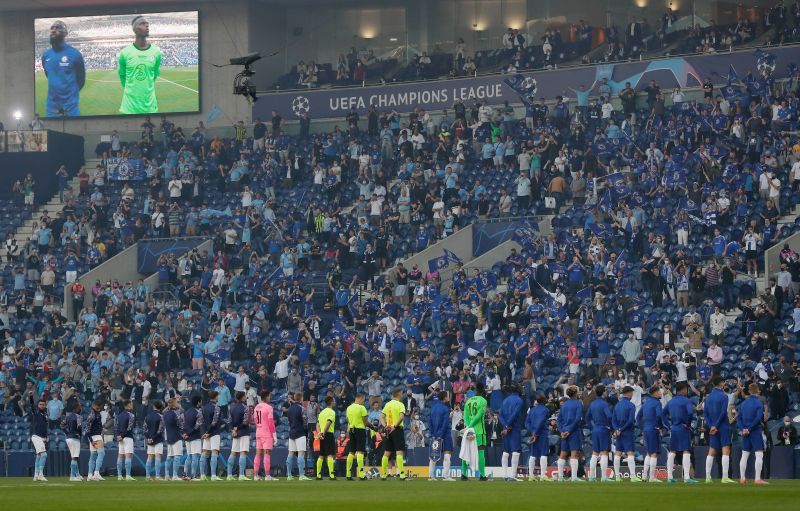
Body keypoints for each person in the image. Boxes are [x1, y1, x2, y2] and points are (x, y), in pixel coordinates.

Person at [118, 16, 163, 114]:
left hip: (150, 108)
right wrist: (131, 90)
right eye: (142, 23)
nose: (147, 25)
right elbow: (122, 75)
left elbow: (154, 74)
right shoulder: (125, 53)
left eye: (147, 23)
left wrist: (146, 87)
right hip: (128, 109)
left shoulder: (157, 52)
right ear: (134, 29)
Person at [42, 20, 85, 117]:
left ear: (65, 33)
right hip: (51, 109)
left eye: (57, 28)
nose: (53, 30)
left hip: (70, 109)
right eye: (52, 28)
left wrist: (70, 95)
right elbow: (48, 75)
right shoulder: (46, 55)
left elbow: (81, 81)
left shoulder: (75, 54)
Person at [662, 382, 698, 483]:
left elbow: (663, 414)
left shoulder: (671, 401)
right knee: (686, 450)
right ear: (683, 390)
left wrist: (668, 425)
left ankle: (669, 477)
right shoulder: (686, 400)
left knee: (672, 451)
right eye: (686, 389)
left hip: (673, 428)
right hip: (683, 428)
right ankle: (686, 477)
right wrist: (688, 423)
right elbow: (690, 413)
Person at [703, 376, 735, 483]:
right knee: (726, 450)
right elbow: (722, 413)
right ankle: (725, 477)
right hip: (722, 426)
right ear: (721, 383)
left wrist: (712, 426)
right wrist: (716, 426)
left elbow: (705, 415)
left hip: (712, 427)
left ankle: (708, 477)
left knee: (711, 451)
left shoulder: (708, 398)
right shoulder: (724, 396)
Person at [737, 383, 768, 485]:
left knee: (745, 454)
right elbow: (758, 418)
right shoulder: (759, 404)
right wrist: (749, 429)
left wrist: (743, 429)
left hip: (745, 432)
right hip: (754, 431)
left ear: (749, 391)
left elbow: (739, 418)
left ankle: (742, 478)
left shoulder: (743, 404)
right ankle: (757, 479)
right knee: (759, 453)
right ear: (757, 390)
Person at [612, 386, 640, 481]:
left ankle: (617, 477)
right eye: (632, 392)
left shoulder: (617, 405)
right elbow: (630, 420)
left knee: (618, 453)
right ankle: (632, 476)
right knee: (630, 453)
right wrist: (622, 429)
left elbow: (613, 420)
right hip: (627, 432)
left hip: (619, 432)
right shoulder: (631, 405)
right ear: (628, 393)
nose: (632, 395)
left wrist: (617, 429)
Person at [585, 384, 612, 482]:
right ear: (603, 392)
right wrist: (610, 427)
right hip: (603, 429)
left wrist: (592, 427)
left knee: (595, 453)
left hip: (595, 429)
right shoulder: (604, 404)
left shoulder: (592, 404)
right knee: (604, 452)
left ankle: (592, 477)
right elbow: (609, 416)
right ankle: (604, 477)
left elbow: (587, 417)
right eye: (605, 391)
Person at [461, 382, 488, 480]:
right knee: (480, 451)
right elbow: (480, 414)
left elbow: (465, 417)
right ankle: (482, 475)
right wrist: (472, 425)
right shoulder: (483, 401)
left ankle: (464, 474)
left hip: (469, 430)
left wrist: (468, 427)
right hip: (479, 431)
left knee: (466, 451)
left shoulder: (468, 401)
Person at [557, 385, 584, 482]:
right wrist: (569, 431)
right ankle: (574, 477)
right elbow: (577, 420)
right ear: (576, 393)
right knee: (574, 453)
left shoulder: (564, 404)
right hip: (573, 432)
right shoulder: (578, 404)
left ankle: (560, 477)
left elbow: (558, 420)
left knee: (563, 454)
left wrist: (562, 431)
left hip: (564, 432)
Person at [636, 385, 663, 483]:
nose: (660, 393)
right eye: (659, 391)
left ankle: (644, 476)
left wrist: (642, 428)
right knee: (654, 453)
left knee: (648, 453)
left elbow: (638, 417)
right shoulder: (657, 403)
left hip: (646, 429)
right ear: (654, 393)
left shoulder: (646, 403)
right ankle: (652, 477)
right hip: (653, 429)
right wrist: (659, 426)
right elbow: (659, 415)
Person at [381, 387, 408, 480]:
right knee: (399, 451)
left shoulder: (387, 404)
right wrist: (395, 426)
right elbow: (401, 417)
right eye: (402, 393)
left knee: (387, 452)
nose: (402, 395)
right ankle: (401, 474)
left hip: (388, 429)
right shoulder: (400, 404)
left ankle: (384, 474)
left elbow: (381, 417)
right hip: (397, 429)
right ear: (399, 394)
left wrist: (385, 426)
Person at [427, 391, 455, 481]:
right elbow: (445, 423)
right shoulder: (445, 408)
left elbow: (429, 421)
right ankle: (446, 476)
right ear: (444, 398)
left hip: (434, 435)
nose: (448, 398)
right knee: (447, 453)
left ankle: (431, 476)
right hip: (445, 434)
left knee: (434, 454)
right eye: (447, 396)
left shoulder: (433, 408)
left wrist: (432, 434)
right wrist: (440, 434)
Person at [499, 384, 523, 481]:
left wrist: (505, 426)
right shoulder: (519, 400)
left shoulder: (505, 400)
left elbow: (500, 415)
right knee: (515, 451)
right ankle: (513, 476)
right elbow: (515, 414)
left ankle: (504, 475)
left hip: (506, 428)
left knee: (506, 451)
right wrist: (508, 426)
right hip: (514, 427)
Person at [525, 394, 552, 482]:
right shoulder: (545, 410)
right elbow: (540, 422)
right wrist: (536, 433)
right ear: (544, 400)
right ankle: (543, 475)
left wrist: (532, 431)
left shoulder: (532, 410)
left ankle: (531, 476)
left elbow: (527, 423)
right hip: (542, 434)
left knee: (533, 455)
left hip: (534, 434)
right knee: (543, 454)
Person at [285, 392, 310, 480]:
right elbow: (305, 422)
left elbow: (289, 421)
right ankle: (301, 475)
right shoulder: (303, 409)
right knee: (301, 453)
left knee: (290, 453)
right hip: (300, 432)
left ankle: (289, 475)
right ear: (301, 398)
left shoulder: (290, 409)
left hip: (291, 432)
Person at [345, 393, 370, 480]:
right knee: (360, 451)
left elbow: (348, 420)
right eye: (363, 400)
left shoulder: (349, 408)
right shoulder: (361, 408)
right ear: (360, 398)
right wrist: (373, 427)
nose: (363, 402)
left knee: (351, 452)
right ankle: (362, 474)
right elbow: (365, 422)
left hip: (351, 429)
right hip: (360, 430)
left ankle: (348, 474)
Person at [253, 389, 277, 480]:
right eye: (269, 396)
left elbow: (255, 421)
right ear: (266, 397)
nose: (270, 398)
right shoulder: (269, 407)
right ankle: (267, 475)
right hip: (266, 433)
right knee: (267, 454)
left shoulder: (256, 407)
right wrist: (274, 435)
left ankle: (255, 475)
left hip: (258, 432)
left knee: (258, 454)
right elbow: (271, 423)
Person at [228, 391, 252, 480]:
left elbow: (229, 421)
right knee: (243, 452)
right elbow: (245, 422)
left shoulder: (232, 407)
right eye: (245, 395)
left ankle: (229, 475)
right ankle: (241, 475)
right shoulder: (246, 408)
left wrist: (233, 429)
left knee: (233, 452)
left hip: (235, 433)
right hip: (243, 432)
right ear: (242, 397)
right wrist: (237, 428)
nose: (246, 397)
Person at [200, 390, 223, 480]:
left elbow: (201, 422)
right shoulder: (217, 408)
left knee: (204, 452)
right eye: (218, 396)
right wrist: (209, 432)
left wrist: (204, 433)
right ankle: (213, 475)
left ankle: (202, 475)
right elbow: (215, 422)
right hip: (214, 433)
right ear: (216, 396)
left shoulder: (203, 408)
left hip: (206, 433)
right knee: (214, 452)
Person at [182, 395, 204, 481]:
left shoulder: (186, 412)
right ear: (198, 402)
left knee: (189, 456)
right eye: (201, 401)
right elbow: (197, 426)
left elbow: (182, 424)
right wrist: (188, 433)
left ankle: (185, 474)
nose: (201, 403)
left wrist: (184, 433)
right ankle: (193, 476)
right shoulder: (199, 413)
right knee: (195, 456)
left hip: (187, 438)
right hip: (195, 437)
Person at [84, 400, 106, 481]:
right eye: (97, 406)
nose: (99, 408)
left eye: (99, 406)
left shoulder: (96, 414)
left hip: (94, 437)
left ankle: (90, 475)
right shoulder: (92, 415)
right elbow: (87, 429)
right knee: (101, 453)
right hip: (95, 436)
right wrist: (91, 440)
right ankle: (96, 473)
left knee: (93, 456)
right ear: (93, 406)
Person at [162, 397, 184, 481]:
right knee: (177, 456)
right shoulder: (176, 413)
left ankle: (167, 475)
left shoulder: (165, 413)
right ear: (175, 403)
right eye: (177, 402)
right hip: (176, 436)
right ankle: (175, 475)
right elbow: (180, 424)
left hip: (169, 436)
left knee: (169, 457)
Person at [316, 396, 337, 480]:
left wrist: (319, 433)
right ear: (331, 402)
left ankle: (318, 475)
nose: (335, 402)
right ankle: (331, 475)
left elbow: (317, 424)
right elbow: (328, 422)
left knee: (321, 455)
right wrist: (324, 433)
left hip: (321, 434)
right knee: (330, 454)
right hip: (328, 434)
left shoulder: (322, 412)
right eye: (334, 400)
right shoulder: (331, 412)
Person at [61, 401, 83, 481]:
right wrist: (79, 434)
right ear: (77, 408)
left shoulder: (68, 416)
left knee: (74, 456)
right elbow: (79, 427)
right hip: (74, 438)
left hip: (68, 438)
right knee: (75, 457)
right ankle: (72, 476)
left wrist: (68, 433)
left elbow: (62, 425)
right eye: (80, 407)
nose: (81, 408)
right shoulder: (79, 417)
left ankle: (77, 474)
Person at [115, 399, 136, 481]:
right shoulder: (131, 415)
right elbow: (129, 427)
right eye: (131, 404)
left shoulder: (119, 415)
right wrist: (122, 436)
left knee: (120, 456)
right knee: (128, 456)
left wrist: (118, 436)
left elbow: (116, 427)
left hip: (120, 438)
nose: (132, 405)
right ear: (128, 405)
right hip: (127, 437)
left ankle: (119, 476)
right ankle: (127, 475)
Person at [144, 400, 165, 480]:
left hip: (150, 440)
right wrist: (153, 438)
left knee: (149, 458)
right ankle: (157, 476)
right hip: (158, 439)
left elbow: (144, 429)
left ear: (153, 406)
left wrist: (149, 438)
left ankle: (147, 476)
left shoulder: (147, 416)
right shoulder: (161, 417)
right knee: (158, 457)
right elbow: (160, 430)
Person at [31, 398, 49, 482]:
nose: (42, 406)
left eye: (43, 404)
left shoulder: (45, 414)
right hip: (36, 436)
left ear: (45, 405)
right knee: (44, 455)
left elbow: (45, 427)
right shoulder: (36, 412)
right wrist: (31, 397)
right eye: (40, 404)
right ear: (37, 405)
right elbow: (32, 405)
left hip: (42, 437)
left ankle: (36, 475)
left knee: (38, 455)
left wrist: (46, 437)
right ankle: (41, 474)